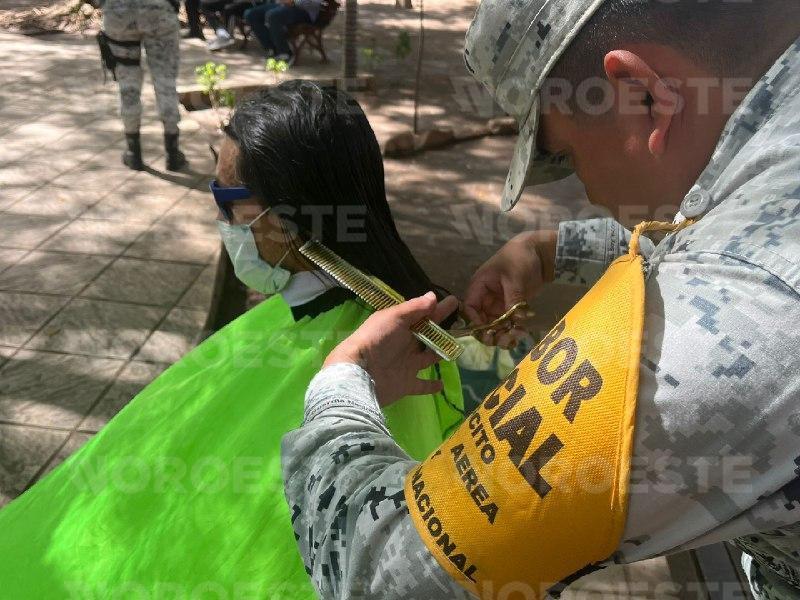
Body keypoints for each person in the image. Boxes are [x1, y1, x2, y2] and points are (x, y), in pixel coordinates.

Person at [282, 1, 800, 599]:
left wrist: (340, 385)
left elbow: (383, 573)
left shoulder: (738, 313)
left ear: (642, 96)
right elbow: (728, 223)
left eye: (569, 157)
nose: (590, 191)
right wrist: (550, 251)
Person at [0, 81, 464, 597]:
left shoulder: (383, 357)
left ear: (289, 220)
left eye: (227, 201)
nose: (221, 220)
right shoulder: (350, 318)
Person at [101, 0, 187, 171]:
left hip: (119, 13)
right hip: (159, 11)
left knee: (127, 84)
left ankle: (133, 152)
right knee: (165, 80)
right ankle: (172, 152)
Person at [245, 0, 321, 61]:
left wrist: (294, 1)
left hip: (304, 10)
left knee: (273, 15)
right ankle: (272, 47)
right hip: (283, 5)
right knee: (252, 14)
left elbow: (315, 3)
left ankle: (284, 52)